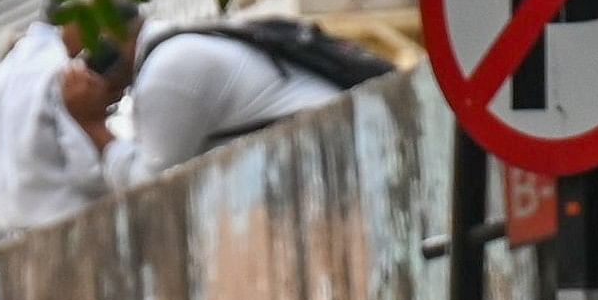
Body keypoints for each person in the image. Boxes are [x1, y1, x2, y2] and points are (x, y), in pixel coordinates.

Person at [103, 17, 389, 186]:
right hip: (333, 156)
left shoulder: (167, 69)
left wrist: (91, 126)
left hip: (337, 164)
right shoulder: (181, 45)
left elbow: (150, 189)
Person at [0, 6, 139, 236]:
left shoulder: (1, 76)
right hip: (73, 229)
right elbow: (88, 170)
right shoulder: (62, 71)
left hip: (16, 242)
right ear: (74, 19)